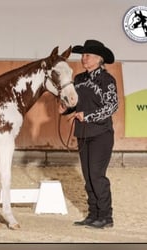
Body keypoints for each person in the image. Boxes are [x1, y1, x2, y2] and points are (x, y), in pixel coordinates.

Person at [59, 39, 118, 229]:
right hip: (83, 134)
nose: (84, 59)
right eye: (83, 55)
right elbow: (76, 104)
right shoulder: (79, 79)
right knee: (88, 176)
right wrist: (66, 109)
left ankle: (106, 217)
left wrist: (89, 116)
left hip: (101, 133)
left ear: (99, 59)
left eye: (88, 55)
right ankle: (93, 215)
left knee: (96, 175)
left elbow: (112, 106)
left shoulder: (107, 80)